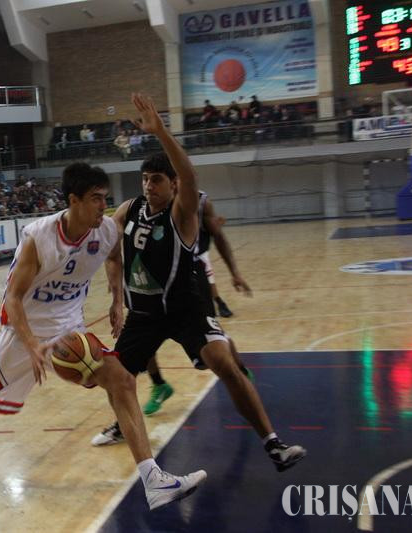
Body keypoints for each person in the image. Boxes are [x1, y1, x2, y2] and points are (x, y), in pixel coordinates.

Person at [0, 162, 206, 510]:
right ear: (74, 200)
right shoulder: (39, 237)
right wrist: (32, 344)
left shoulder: (106, 232)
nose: (103, 206)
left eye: (106, 198)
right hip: (23, 329)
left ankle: (153, 480)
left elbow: (114, 257)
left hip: (68, 327)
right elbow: (13, 298)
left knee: (123, 381)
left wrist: (117, 300)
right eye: (96, 198)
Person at [90, 94, 306, 474]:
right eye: (145, 179)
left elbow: (190, 175)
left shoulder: (183, 212)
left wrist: (161, 132)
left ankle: (273, 445)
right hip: (143, 312)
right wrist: (116, 300)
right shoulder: (129, 209)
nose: (149, 186)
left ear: (174, 185)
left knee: (223, 363)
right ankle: (124, 425)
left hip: (185, 306)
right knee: (116, 378)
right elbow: (111, 254)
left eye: (157, 180)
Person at [141, 190, 254, 415]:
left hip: (191, 275)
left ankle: (239, 370)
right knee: (143, 333)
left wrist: (235, 273)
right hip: (158, 277)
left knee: (213, 336)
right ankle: (159, 384)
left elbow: (219, 237)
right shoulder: (149, 201)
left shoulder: (201, 201)